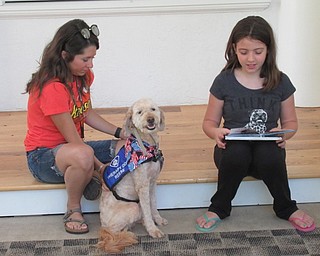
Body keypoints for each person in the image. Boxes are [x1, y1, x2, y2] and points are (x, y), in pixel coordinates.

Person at [196, 16, 316, 233]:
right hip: (231, 153)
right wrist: (215, 132)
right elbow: (208, 122)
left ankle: (285, 206)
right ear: (234, 49)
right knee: (237, 153)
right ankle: (220, 207)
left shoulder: (281, 81)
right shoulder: (223, 81)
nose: (251, 58)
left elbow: (291, 122)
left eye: (258, 52)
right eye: (243, 52)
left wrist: (284, 135)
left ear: (268, 49)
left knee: (268, 154)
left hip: (266, 154)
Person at [24, 19, 126, 234]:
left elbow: (85, 112)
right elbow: (73, 140)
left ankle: (91, 178)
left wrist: (120, 133)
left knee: (127, 147)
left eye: (92, 58)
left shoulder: (82, 76)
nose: (91, 65)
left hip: (75, 149)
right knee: (83, 156)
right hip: (43, 157)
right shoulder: (52, 88)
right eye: (85, 59)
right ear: (64, 55)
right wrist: (101, 168)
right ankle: (73, 208)